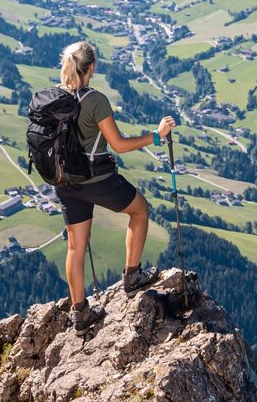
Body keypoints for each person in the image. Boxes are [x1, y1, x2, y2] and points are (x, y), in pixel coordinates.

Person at [54, 40, 176, 336]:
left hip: (66, 182)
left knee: (75, 246)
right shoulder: (95, 101)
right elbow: (119, 145)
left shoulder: (55, 97)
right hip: (97, 179)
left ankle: (79, 313)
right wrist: (156, 137)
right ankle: (132, 276)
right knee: (140, 210)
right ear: (92, 68)